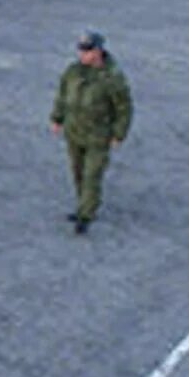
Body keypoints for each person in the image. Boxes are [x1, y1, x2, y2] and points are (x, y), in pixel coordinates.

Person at [49, 31, 133, 234]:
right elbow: (63, 96)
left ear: (97, 51)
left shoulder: (113, 78)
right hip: (75, 131)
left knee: (91, 175)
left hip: (99, 135)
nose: (82, 54)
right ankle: (83, 205)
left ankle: (86, 214)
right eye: (81, 50)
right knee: (78, 172)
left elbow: (124, 108)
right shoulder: (73, 72)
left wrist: (118, 134)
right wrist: (57, 118)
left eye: (87, 51)